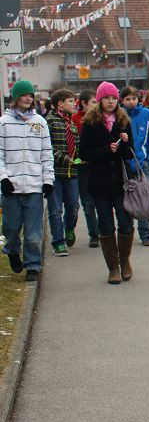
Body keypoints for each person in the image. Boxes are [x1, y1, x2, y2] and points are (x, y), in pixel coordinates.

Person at [79, 82, 135, 284]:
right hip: (99, 183)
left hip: (121, 183)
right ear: (100, 100)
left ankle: (125, 261)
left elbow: (130, 153)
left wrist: (125, 142)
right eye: (106, 98)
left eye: (113, 98)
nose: (111, 101)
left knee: (126, 222)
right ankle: (113, 268)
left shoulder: (123, 120)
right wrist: (105, 150)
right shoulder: (90, 123)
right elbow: (83, 153)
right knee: (106, 225)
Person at [0, 80, 54, 282]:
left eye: (30, 95)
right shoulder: (4, 123)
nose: (28, 98)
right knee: (11, 228)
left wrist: (48, 180)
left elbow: (46, 154)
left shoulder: (39, 122)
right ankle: (12, 250)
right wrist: (3, 178)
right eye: (23, 95)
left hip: (33, 186)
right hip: (11, 187)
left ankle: (32, 265)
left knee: (33, 233)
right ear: (15, 98)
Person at [120, 86, 149, 246]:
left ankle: (145, 233)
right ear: (122, 101)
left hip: (142, 162)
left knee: (144, 198)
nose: (131, 102)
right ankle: (127, 231)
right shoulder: (119, 115)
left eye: (134, 98)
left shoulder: (147, 114)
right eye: (127, 99)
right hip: (124, 164)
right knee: (126, 197)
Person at [45, 89, 81, 256]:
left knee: (73, 207)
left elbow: (77, 146)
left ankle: (69, 229)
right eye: (70, 101)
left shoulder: (71, 123)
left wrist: (81, 157)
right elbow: (46, 148)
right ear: (60, 103)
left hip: (71, 173)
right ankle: (58, 242)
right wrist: (65, 159)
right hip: (54, 173)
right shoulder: (49, 121)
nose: (74, 104)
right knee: (55, 209)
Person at [74, 89, 100, 246]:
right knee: (87, 203)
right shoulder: (74, 119)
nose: (96, 105)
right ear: (84, 103)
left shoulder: (100, 118)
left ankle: (105, 231)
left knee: (101, 201)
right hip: (82, 167)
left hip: (97, 166)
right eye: (93, 102)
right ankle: (94, 234)